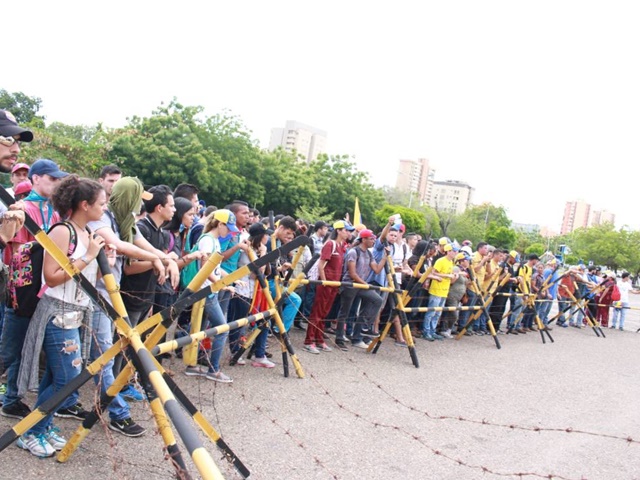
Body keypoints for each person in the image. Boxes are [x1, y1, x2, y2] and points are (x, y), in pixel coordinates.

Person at [16, 176, 110, 457]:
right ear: (84, 204)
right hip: (57, 313)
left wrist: (102, 255)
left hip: (76, 313)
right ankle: (30, 430)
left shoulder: (86, 232)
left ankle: (42, 426)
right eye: (102, 204)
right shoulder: (63, 231)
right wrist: (88, 256)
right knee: (68, 379)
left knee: (57, 377)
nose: (104, 209)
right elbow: (52, 277)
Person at [1, 159, 66, 421]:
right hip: (24, 291)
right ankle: (11, 396)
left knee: (28, 347)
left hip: (46, 290)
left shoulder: (57, 212)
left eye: (58, 179)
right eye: (51, 179)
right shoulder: (22, 209)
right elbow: (16, 255)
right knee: (9, 349)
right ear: (36, 178)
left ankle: (12, 398)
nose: (56, 183)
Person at [185, 209, 247, 383]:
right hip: (205, 291)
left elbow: (216, 268)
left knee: (201, 327)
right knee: (222, 328)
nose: (229, 232)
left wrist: (229, 280)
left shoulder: (215, 242)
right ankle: (213, 369)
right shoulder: (207, 241)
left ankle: (192, 365)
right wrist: (223, 285)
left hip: (210, 290)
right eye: (228, 228)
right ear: (219, 224)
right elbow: (205, 267)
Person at [303, 221, 351, 353]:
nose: (348, 233)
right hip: (326, 284)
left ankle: (319, 339)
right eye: (346, 230)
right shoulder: (330, 244)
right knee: (317, 312)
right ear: (339, 231)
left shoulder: (342, 246)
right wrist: (324, 281)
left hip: (334, 284)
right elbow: (321, 265)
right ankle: (309, 341)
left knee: (324, 313)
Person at [335, 224, 386, 349]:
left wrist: (385, 257)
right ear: (363, 239)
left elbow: (377, 269)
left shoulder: (369, 253)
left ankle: (362, 328)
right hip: (350, 285)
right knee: (345, 312)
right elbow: (352, 273)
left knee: (377, 300)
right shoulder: (353, 251)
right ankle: (339, 338)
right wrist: (365, 284)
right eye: (371, 239)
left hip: (360, 284)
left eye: (374, 239)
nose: (373, 241)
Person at [422, 244, 458, 341]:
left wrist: (452, 276)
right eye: (454, 251)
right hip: (436, 290)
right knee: (431, 312)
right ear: (448, 251)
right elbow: (433, 272)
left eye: (456, 251)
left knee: (438, 313)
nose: (455, 253)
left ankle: (432, 331)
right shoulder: (441, 261)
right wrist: (447, 275)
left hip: (444, 290)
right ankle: (426, 331)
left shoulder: (451, 262)